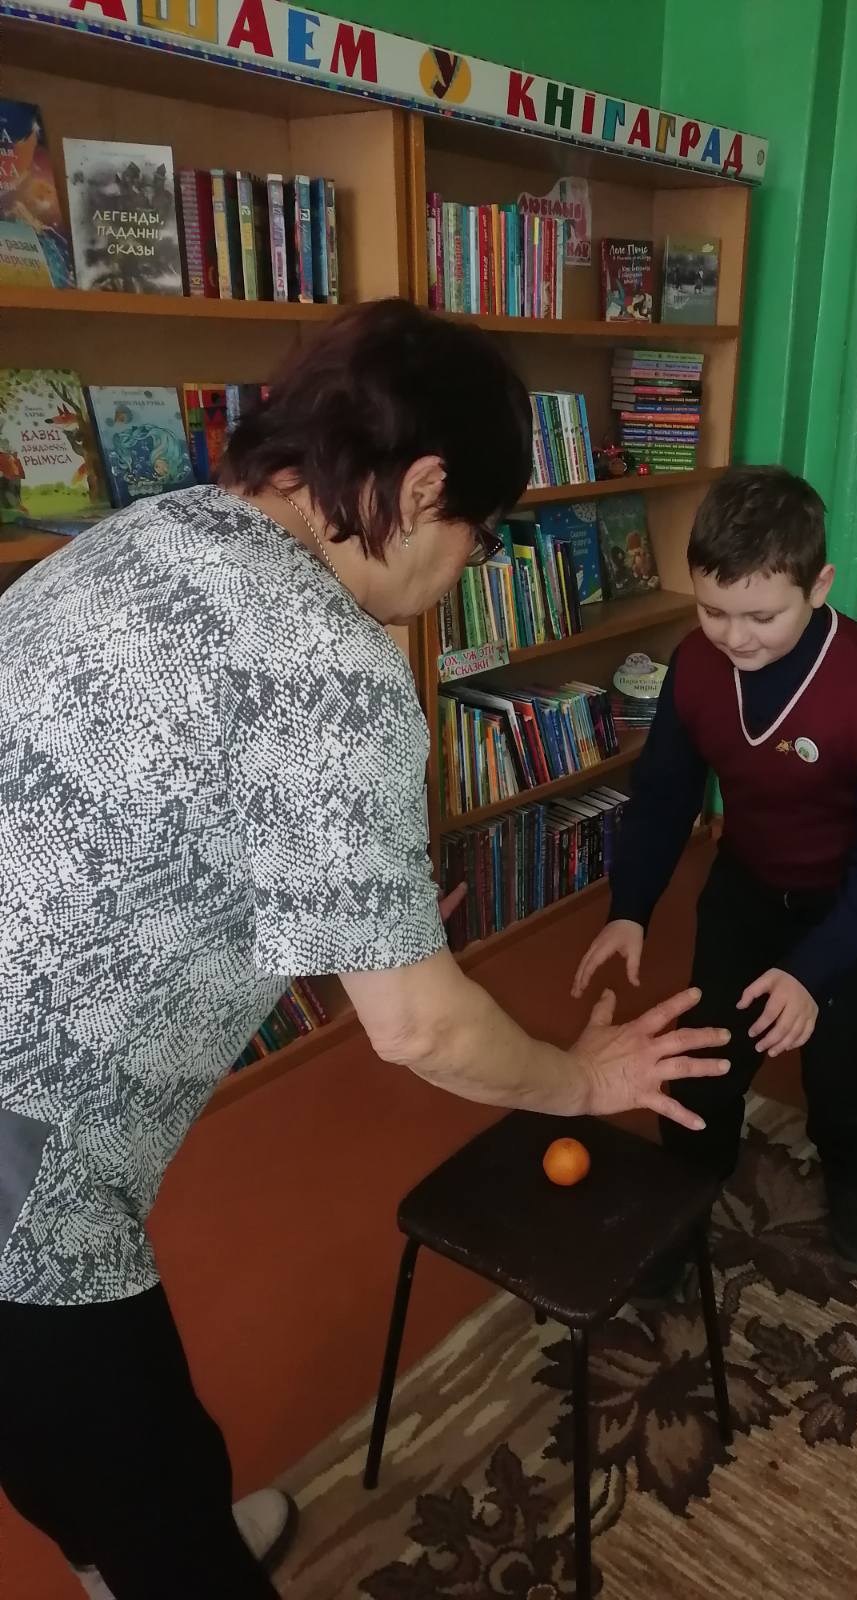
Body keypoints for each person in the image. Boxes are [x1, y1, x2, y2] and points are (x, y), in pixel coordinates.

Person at [0, 298, 730, 1600]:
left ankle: (131, 1545)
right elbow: (421, 1027)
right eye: (479, 539)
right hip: (21, 1169)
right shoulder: (333, 673)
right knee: (146, 1475)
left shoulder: (147, 528)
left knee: (69, 1438)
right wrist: (583, 1079)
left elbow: (143, 822)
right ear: (425, 487)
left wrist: (343, 931)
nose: (463, 570)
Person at [572, 465, 857, 1291]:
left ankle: (852, 1173)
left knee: (842, 1061)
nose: (734, 637)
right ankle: (686, 1191)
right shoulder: (696, 666)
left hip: (856, 906)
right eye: (713, 610)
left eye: (762, 616)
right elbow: (665, 794)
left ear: (819, 585)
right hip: (750, 886)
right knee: (707, 1046)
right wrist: (631, 909)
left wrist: (812, 972)